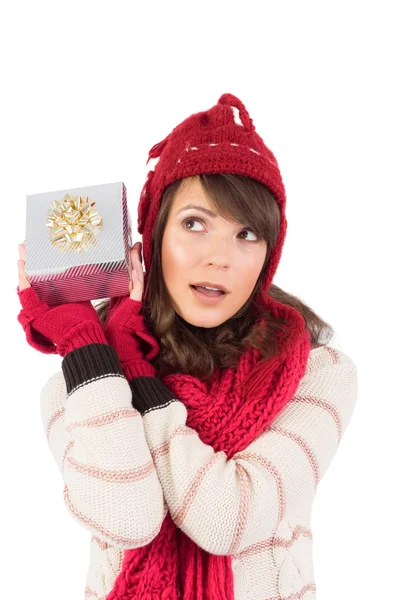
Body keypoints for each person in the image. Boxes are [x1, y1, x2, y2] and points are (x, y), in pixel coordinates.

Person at [16, 92, 358, 600]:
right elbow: (127, 519)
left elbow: (229, 521)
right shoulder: (76, 388)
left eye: (246, 233)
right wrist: (88, 347)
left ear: (269, 254)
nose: (219, 257)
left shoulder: (315, 373)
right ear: (153, 238)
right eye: (194, 224)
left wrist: (135, 371)